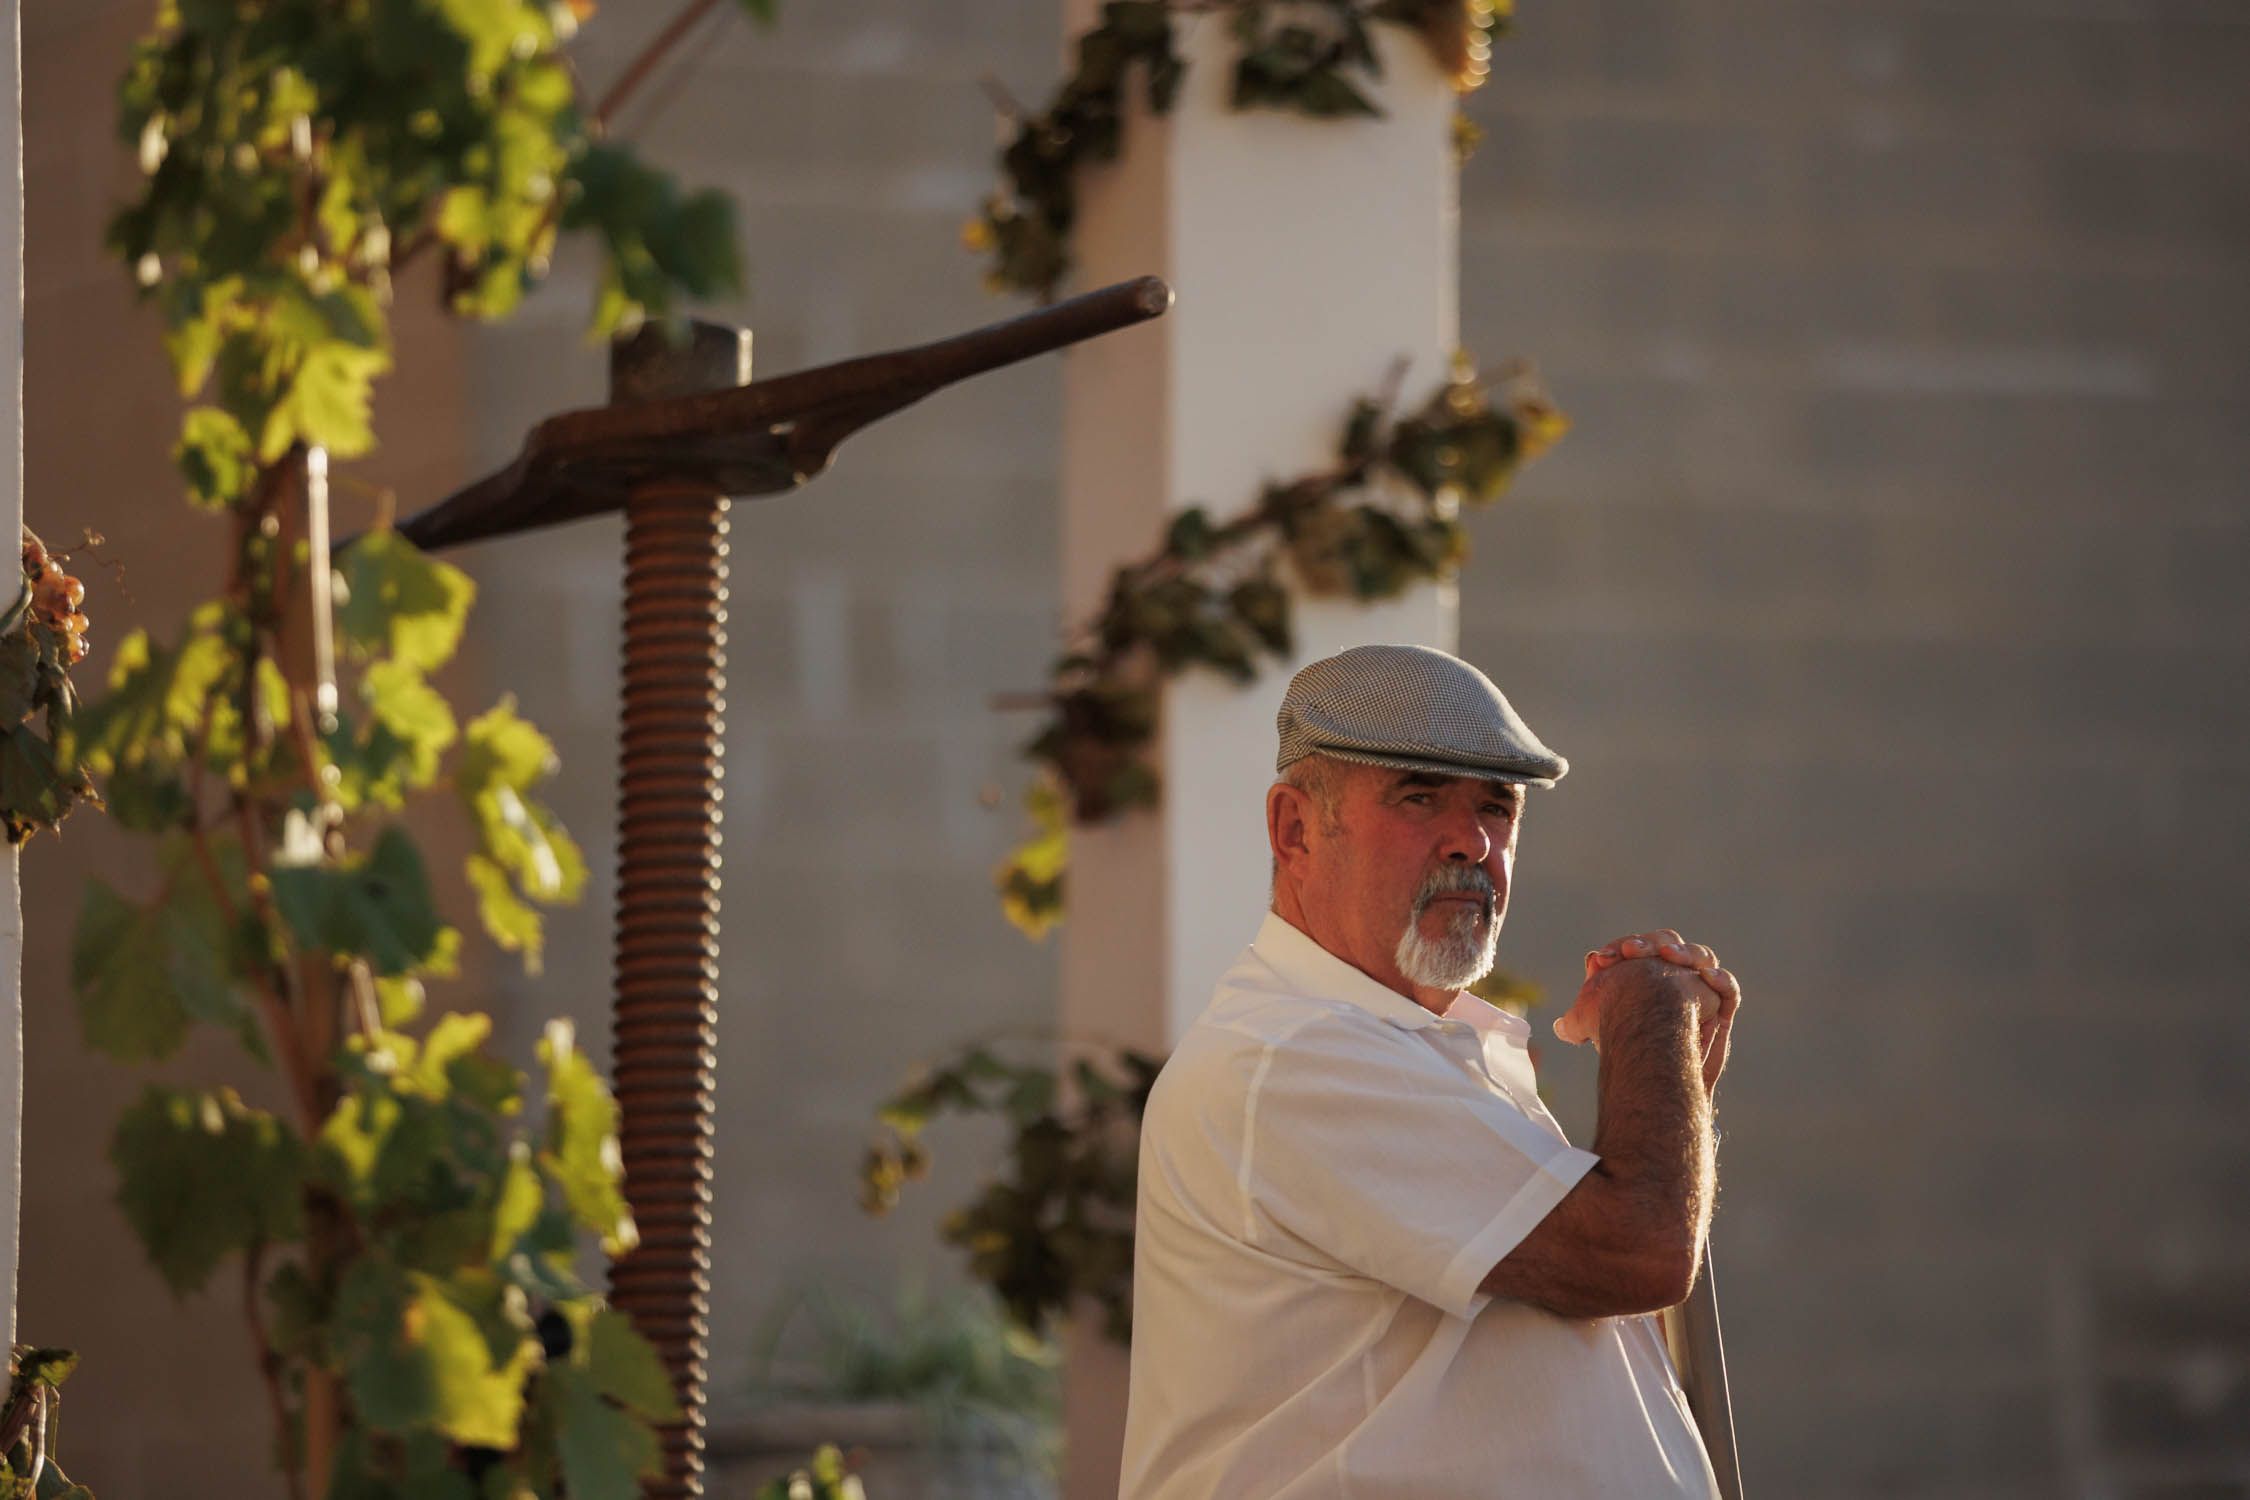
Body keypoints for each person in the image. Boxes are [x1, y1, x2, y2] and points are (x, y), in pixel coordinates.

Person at [1118, 643, 1740, 1499]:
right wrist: (1650, 1012)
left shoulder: (1400, 1047)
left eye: (1499, 805)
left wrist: (1674, 1087)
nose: (1472, 840)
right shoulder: (1295, 1054)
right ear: (1295, 830)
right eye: (1419, 796)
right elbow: (1639, 1253)